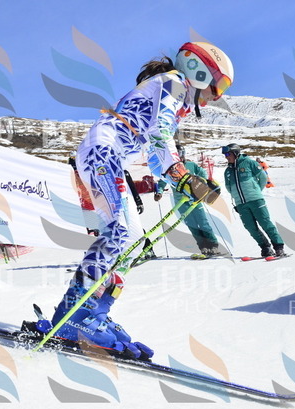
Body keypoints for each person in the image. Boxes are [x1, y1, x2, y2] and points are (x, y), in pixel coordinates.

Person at [49, 42, 234, 359]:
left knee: (132, 238)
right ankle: (73, 316)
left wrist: (182, 178)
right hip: (102, 152)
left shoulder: (172, 90)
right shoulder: (175, 83)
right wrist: (180, 175)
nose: (216, 96)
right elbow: (159, 132)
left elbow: (155, 147)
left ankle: (94, 311)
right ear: (198, 71)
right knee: (119, 233)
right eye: (219, 85)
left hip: (107, 156)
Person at [154, 145, 223, 257]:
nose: (179, 157)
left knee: (203, 222)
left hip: (194, 199)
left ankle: (213, 245)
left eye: (181, 154)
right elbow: (162, 182)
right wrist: (159, 192)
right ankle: (203, 246)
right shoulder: (169, 170)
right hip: (181, 201)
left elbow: (202, 173)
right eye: (177, 154)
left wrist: (201, 184)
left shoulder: (190, 165)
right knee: (191, 224)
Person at [222, 144, 284, 257]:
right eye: (225, 155)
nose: (226, 157)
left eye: (228, 154)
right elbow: (228, 187)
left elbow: (263, 177)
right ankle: (265, 247)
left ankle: (279, 247)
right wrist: (237, 197)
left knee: (265, 223)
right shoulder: (228, 171)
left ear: (235, 153)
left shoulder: (249, 163)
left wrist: (256, 190)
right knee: (250, 227)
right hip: (241, 204)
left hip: (256, 200)